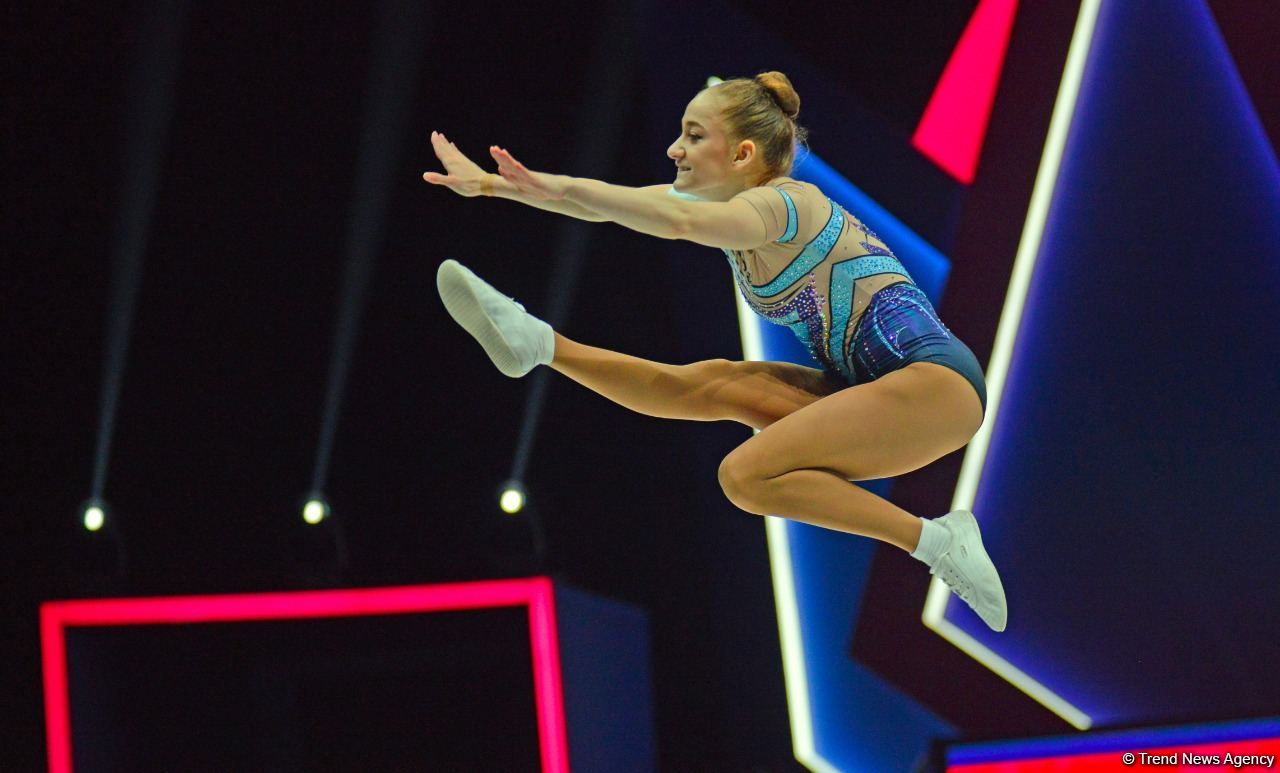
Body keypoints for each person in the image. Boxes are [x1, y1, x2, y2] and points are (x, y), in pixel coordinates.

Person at [423, 71, 1006, 631]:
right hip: (877, 391)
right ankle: (541, 343)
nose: (675, 149)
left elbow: (672, 221)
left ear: (744, 155)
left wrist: (543, 184)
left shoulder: (784, 205)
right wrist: (493, 186)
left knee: (744, 474)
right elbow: (603, 204)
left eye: (695, 136)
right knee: (714, 385)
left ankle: (935, 541)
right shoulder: (731, 212)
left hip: (935, 388)